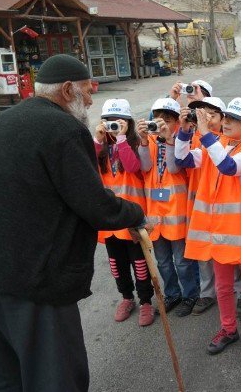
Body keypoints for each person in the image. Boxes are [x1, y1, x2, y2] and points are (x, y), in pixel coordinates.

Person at [0, 54, 144, 391]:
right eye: (85, 92)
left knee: (2, 380)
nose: (89, 101)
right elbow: (93, 203)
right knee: (55, 380)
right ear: (67, 89)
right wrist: (135, 215)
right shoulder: (64, 128)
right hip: (32, 283)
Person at [176, 97, 241, 359]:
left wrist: (205, 133)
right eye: (225, 117)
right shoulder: (217, 145)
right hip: (218, 233)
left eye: (233, 119)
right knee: (223, 286)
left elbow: (229, 167)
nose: (227, 122)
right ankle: (228, 329)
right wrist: (185, 131)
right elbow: (182, 159)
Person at [136, 98, 199, 317]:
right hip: (155, 212)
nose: (161, 123)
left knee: (182, 261)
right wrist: (143, 140)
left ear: (176, 122)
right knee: (162, 260)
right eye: (157, 119)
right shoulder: (149, 141)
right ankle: (173, 294)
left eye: (168, 119)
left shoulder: (184, 141)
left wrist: (170, 139)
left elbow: (173, 168)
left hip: (176, 210)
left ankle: (191, 294)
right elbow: (144, 166)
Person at [95, 99, 154, 326]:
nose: (112, 126)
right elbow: (88, 167)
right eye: (108, 121)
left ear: (127, 123)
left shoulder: (133, 143)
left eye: (117, 122)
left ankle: (146, 300)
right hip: (110, 219)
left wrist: (121, 138)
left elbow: (132, 167)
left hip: (131, 217)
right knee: (116, 264)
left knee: (139, 262)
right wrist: (98, 140)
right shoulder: (101, 148)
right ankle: (127, 297)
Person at [170, 80, 221, 316]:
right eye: (202, 113)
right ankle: (208, 293)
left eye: (210, 113)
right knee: (203, 251)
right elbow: (181, 159)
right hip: (200, 201)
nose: (205, 117)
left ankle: (239, 293)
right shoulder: (196, 135)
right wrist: (184, 129)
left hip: (223, 205)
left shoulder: (228, 140)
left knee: (227, 251)